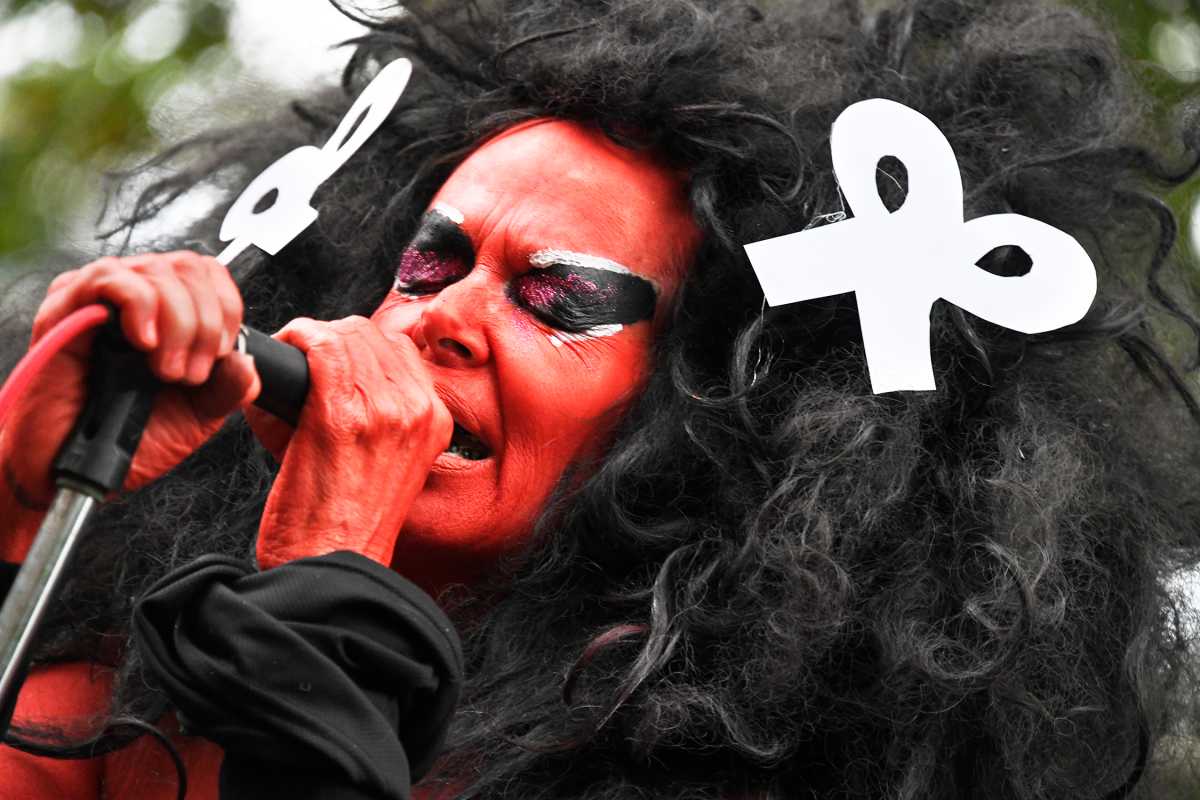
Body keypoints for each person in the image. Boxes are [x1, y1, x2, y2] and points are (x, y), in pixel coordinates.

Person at [0, 0, 1198, 797]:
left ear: (707, 431)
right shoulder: (126, 714)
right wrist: (20, 514)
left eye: (556, 295)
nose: (440, 318)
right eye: (427, 262)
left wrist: (329, 579)